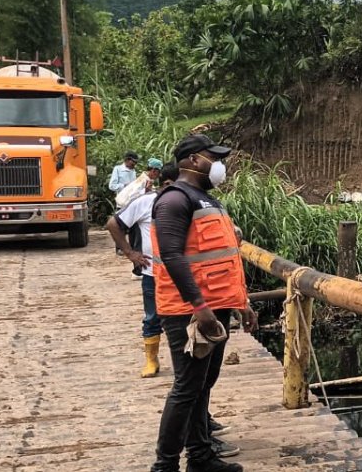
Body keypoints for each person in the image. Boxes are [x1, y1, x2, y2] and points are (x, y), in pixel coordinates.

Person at [149, 134, 255, 472]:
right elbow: (172, 255)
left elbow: (224, 259)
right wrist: (199, 307)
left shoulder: (206, 200)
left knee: (202, 384)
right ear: (194, 160)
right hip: (189, 312)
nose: (220, 164)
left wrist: (242, 303)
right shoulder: (174, 200)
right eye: (214, 157)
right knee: (187, 387)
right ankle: (164, 466)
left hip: (216, 306)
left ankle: (200, 456)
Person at [106, 162, 179, 377]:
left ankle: (184, 360)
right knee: (152, 315)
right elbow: (113, 224)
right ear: (166, 183)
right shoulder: (146, 202)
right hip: (153, 272)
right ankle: (151, 359)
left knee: (183, 317)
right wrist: (130, 253)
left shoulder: (190, 201)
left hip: (183, 272)